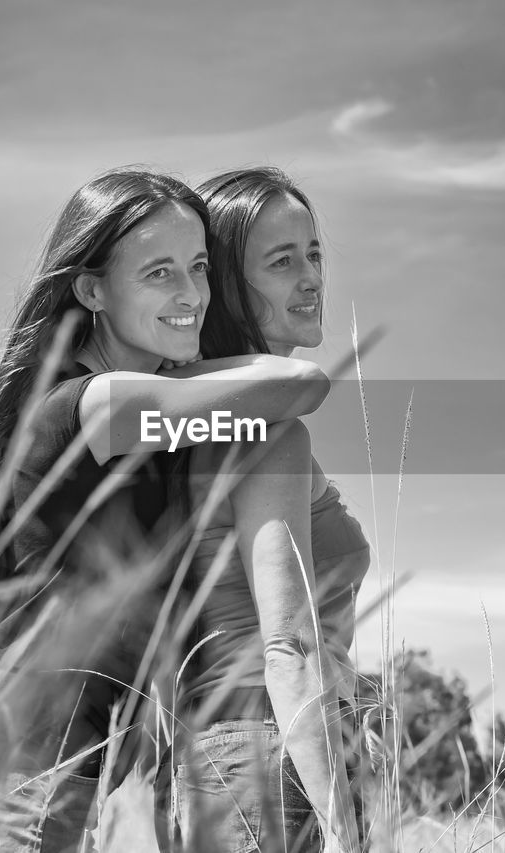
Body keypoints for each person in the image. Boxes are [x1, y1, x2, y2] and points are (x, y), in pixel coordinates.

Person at [0, 167, 330, 852]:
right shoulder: (92, 406)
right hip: (19, 781)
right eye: (159, 274)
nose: (191, 296)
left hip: (25, 773)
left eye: (200, 268)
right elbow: (301, 382)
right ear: (92, 290)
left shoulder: (136, 417)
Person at [164, 167, 371, 853]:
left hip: (218, 758)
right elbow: (289, 646)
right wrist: (343, 824)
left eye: (313, 253)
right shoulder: (270, 435)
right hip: (271, 759)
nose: (311, 277)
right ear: (227, 285)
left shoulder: (196, 421)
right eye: (282, 262)